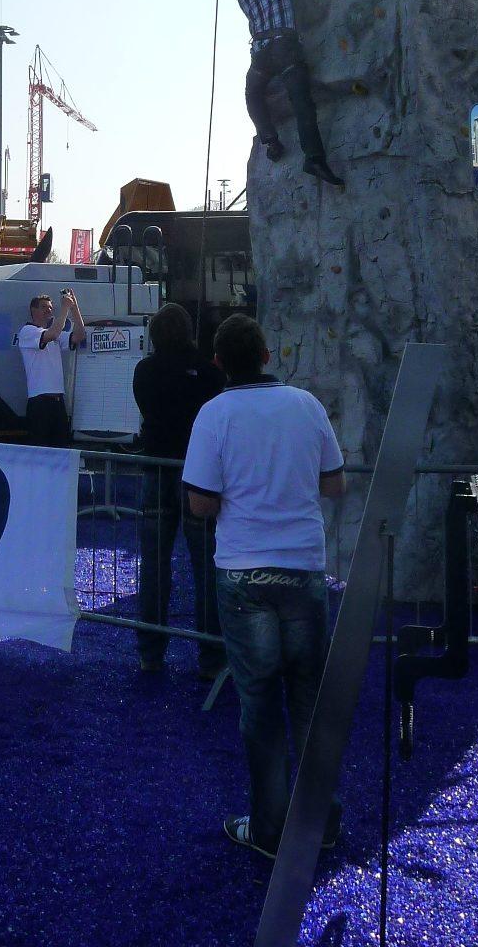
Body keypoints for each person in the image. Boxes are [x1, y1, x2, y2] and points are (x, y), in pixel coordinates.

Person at [182, 312, 346, 859]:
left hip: (244, 570)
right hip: (302, 566)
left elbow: (201, 502)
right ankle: (318, 818)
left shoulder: (214, 413)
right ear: (268, 356)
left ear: (219, 363)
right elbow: (335, 483)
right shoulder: (307, 406)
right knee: (306, 699)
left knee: (259, 703)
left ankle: (270, 829)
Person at [132, 302, 225, 678]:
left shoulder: (145, 371)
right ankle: (212, 656)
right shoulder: (208, 373)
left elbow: (146, 408)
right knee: (205, 566)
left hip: (156, 470)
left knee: (155, 564)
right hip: (197, 475)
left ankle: (151, 651)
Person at [233, 0, 344, 190]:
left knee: (252, 92)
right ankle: (314, 158)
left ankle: (270, 140)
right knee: (302, 103)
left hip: (261, 54)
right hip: (284, 46)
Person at [16, 290, 86, 446]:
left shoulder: (54, 333)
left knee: (61, 447)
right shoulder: (27, 331)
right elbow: (53, 334)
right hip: (39, 402)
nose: (49, 310)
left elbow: (79, 335)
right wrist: (65, 308)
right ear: (33, 310)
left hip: (58, 401)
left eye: (50, 308)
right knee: (40, 449)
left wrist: (74, 308)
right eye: (44, 307)